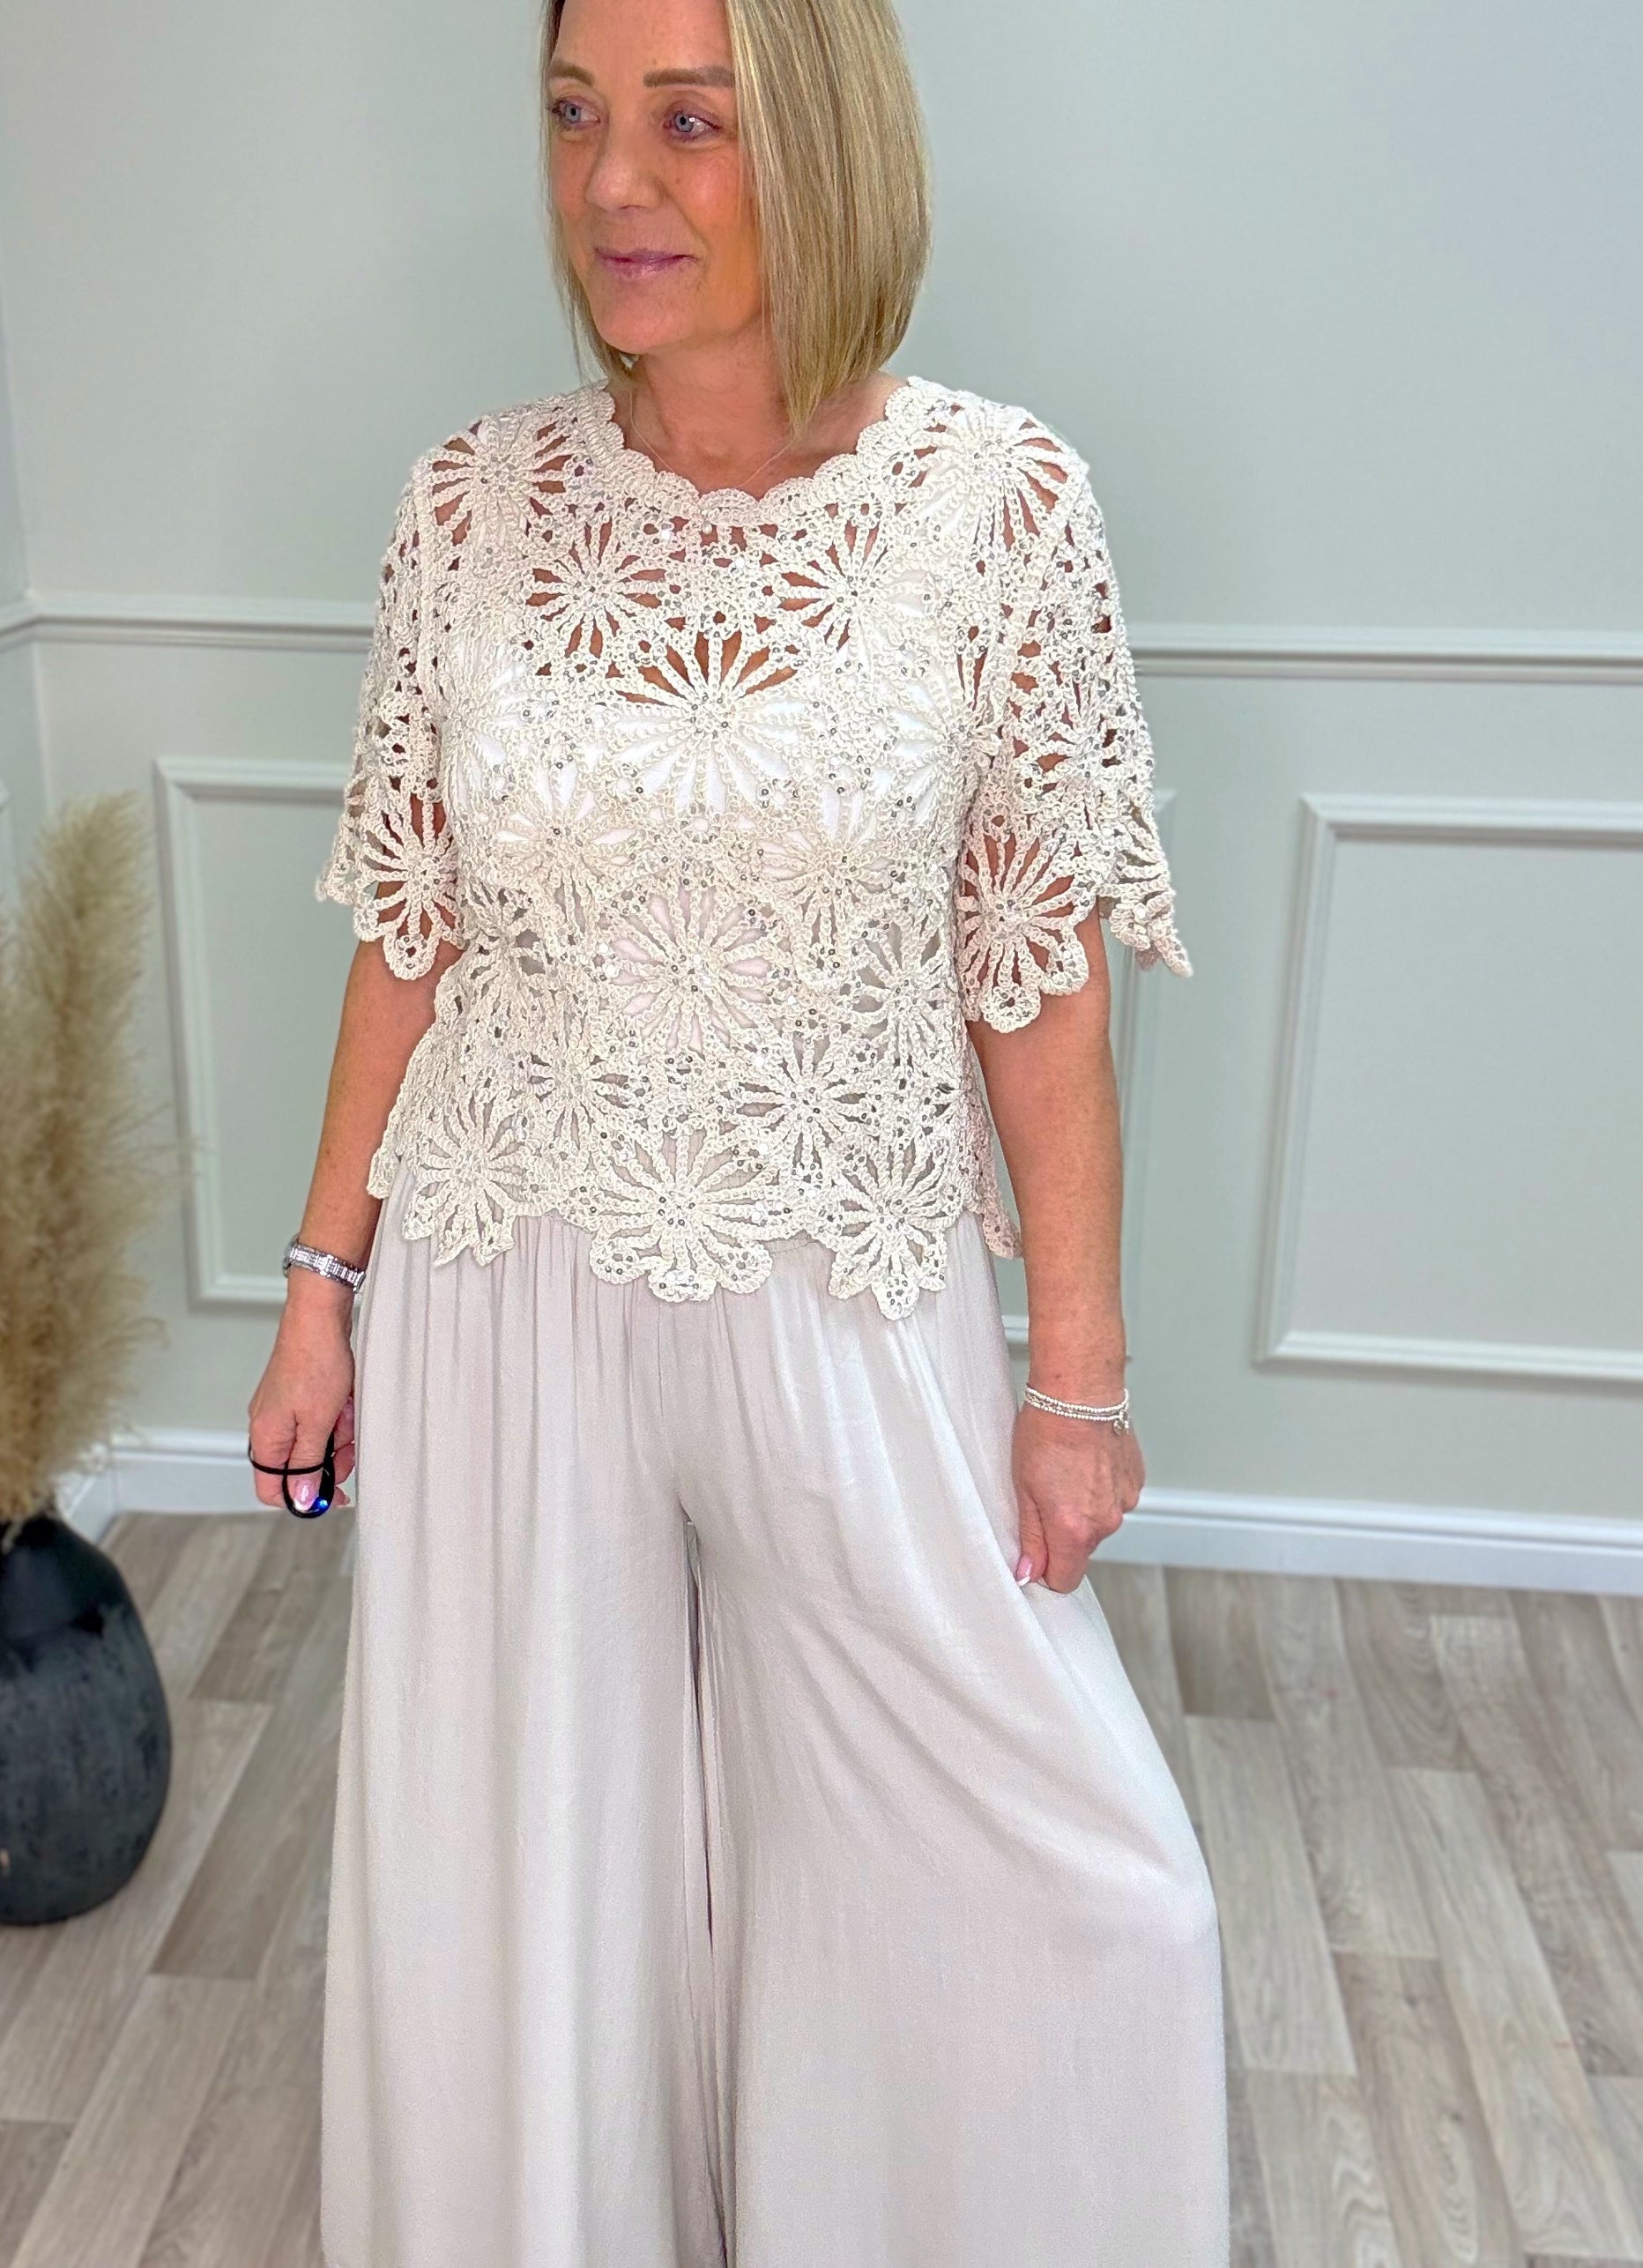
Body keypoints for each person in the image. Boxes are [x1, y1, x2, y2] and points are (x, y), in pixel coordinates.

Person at [246, 0, 1230, 2258]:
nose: (615, 184)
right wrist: (320, 1286)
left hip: (841, 1267)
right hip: (504, 1270)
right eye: (576, 116)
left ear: (825, 144)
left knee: (1074, 1865)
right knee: (522, 1864)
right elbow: (410, 922)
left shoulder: (999, 504)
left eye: (689, 123)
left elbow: (1036, 972)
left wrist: (1075, 1385)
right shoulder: (468, 503)